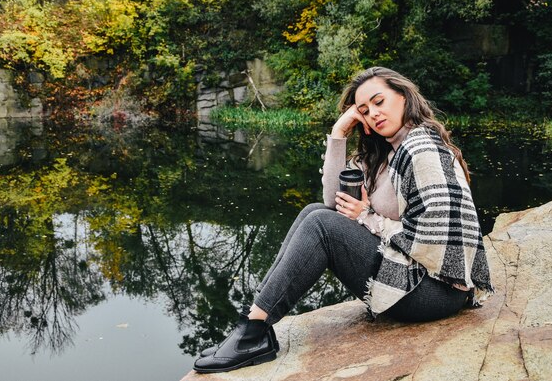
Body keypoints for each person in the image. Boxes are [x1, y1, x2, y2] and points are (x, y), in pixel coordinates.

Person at [192, 67, 493, 374]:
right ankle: (253, 324)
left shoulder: (422, 150)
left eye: (379, 101)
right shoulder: (386, 153)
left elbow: (439, 246)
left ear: (403, 97)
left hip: (438, 291)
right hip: (413, 276)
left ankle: (253, 330)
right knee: (313, 213)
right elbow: (331, 204)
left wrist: (365, 215)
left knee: (321, 225)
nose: (373, 114)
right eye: (364, 110)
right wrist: (339, 134)